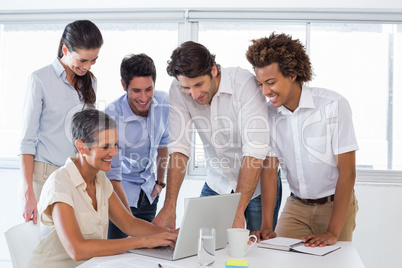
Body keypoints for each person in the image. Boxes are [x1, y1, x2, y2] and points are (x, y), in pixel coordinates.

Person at [153, 41, 282, 232]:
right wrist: (169, 206)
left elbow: (254, 150)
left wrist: (237, 212)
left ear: (213, 70)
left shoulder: (244, 84)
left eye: (199, 84)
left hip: (258, 187)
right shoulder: (178, 89)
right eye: (187, 88)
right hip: (217, 182)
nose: (194, 94)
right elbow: (179, 147)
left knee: (255, 250)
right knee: (197, 242)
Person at [246, 33, 359, 247]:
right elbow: (270, 171)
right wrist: (267, 225)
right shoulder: (268, 115)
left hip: (335, 204)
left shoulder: (333, 105)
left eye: (270, 82)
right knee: (276, 256)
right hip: (296, 206)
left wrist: (333, 232)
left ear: (293, 74)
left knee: (333, 261)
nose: (265, 91)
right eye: (261, 84)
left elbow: (348, 172)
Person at [28, 109, 177, 267]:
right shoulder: (60, 183)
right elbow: (77, 250)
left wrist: (170, 235)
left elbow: (129, 224)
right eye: (105, 147)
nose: (113, 153)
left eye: (115, 145)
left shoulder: (100, 179)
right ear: (82, 147)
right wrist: (143, 241)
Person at [19, 20, 104, 224]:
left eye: (93, 60)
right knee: (44, 244)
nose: (87, 66)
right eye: (82, 60)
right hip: (44, 175)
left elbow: (87, 135)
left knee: (75, 244)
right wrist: (27, 191)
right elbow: (27, 141)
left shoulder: (90, 82)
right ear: (65, 49)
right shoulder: (40, 80)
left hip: (76, 174)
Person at [105, 53, 169, 239]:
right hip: (120, 193)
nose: (144, 98)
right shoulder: (111, 116)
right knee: (119, 254)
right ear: (124, 86)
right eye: (136, 91)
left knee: (148, 253)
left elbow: (163, 145)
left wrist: (160, 183)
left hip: (149, 193)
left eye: (149, 89)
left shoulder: (163, 102)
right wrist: (127, 218)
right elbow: (112, 173)